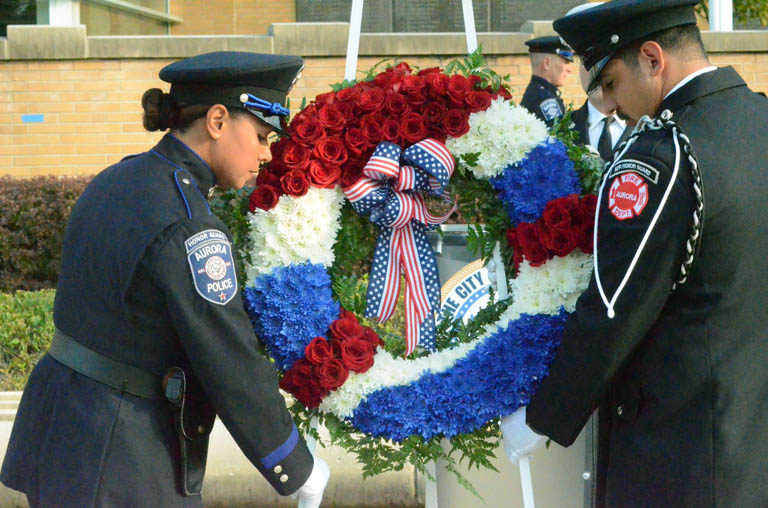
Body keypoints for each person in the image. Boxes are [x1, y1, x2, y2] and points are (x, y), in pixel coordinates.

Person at [0, 51, 330, 508]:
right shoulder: (190, 225)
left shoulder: (118, 178)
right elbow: (228, 357)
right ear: (217, 120)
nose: (264, 154)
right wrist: (295, 467)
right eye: (259, 136)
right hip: (122, 456)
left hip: (63, 430)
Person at [501, 1, 768, 507]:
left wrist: (544, 417)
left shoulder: (662, 155)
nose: (611, 103)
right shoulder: (759, 119)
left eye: (611, 83)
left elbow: (615, 306)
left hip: (682, 450)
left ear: (652, 57)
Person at [520, 35, 574, 127]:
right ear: (547, 63)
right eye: (566, 62)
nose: (570, 69)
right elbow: (559, 137)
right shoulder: (545, 100)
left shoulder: (539, 93)